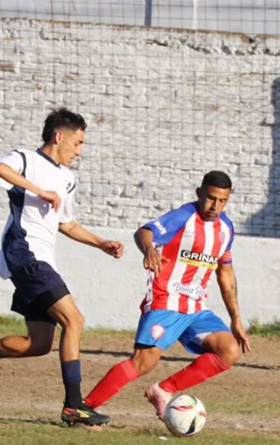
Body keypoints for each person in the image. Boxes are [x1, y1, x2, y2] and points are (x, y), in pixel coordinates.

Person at [0, 108, 124, 427]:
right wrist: (40, 191)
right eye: (78, 143)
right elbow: (0, 169)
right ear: (59, 136)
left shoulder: (67, 179)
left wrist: (101, 243)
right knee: (74, 320)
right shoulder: (25, 159)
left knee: (39, 344)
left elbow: (65, 222)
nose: (79, 151)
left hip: (41, 259)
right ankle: (74, 405)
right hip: (24, 254)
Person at [80, 170, 251, 422]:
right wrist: (149, 250)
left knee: (229, 350)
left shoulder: (226, 229)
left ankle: (163, 390)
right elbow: (144, 232)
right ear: (199, 193)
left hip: (196, 308)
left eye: (223, 201)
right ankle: (83, 408)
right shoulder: (184, 216)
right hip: (166, 300)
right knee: (144, 362)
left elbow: (225, 273)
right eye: (211, 198)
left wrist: (235, 318)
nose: (216, 206)